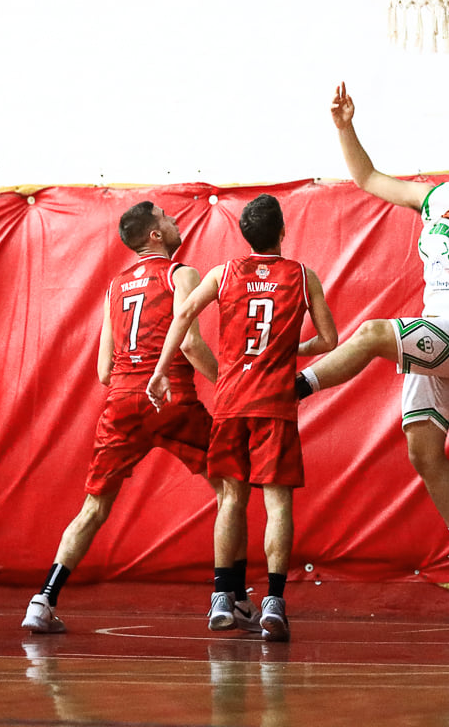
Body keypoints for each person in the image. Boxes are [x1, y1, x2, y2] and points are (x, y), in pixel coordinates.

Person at [295, 82, 449, 610]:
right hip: (434, 335)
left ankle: (292, 388)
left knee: (375, 332)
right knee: (423, 453)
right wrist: (344, 127)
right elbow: (367, 178)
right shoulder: (437, 197)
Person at [22, 201, 220, 634]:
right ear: (154, 234)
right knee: (230, 489)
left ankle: (43, 601)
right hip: (169, 397)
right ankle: (232, 597)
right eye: (167, 219)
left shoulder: (114, 286)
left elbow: (102, 371)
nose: (174, 222)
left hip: (122, 400)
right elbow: (189, 346)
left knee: (94, 506)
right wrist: (227, 382)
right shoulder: (180, 273)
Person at [147, 194, 337, 641]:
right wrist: (293, 348)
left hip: (231, 403)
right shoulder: (302, 275)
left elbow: (183, 316)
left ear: (245, 235)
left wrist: (160, 372)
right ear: (282, 232)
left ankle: (220, 598)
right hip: (275, 406)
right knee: (277, 504)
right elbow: (329, 339)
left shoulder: (223, 272)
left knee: (230, 500)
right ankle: (273, 602)